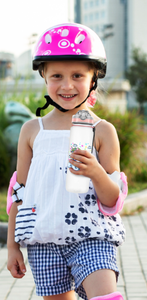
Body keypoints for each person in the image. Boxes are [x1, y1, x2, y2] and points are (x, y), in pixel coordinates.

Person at [6, 23, 127, 300]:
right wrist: (13, 246)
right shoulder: (32, 130)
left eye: (77, 75)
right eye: (57, 76)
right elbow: (19, 191)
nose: (67, 85)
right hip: (43, 240)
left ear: (93, 78)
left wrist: (96, 172)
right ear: (44, 77)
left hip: (92, 236)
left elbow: (113, 200)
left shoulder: (103, 130)